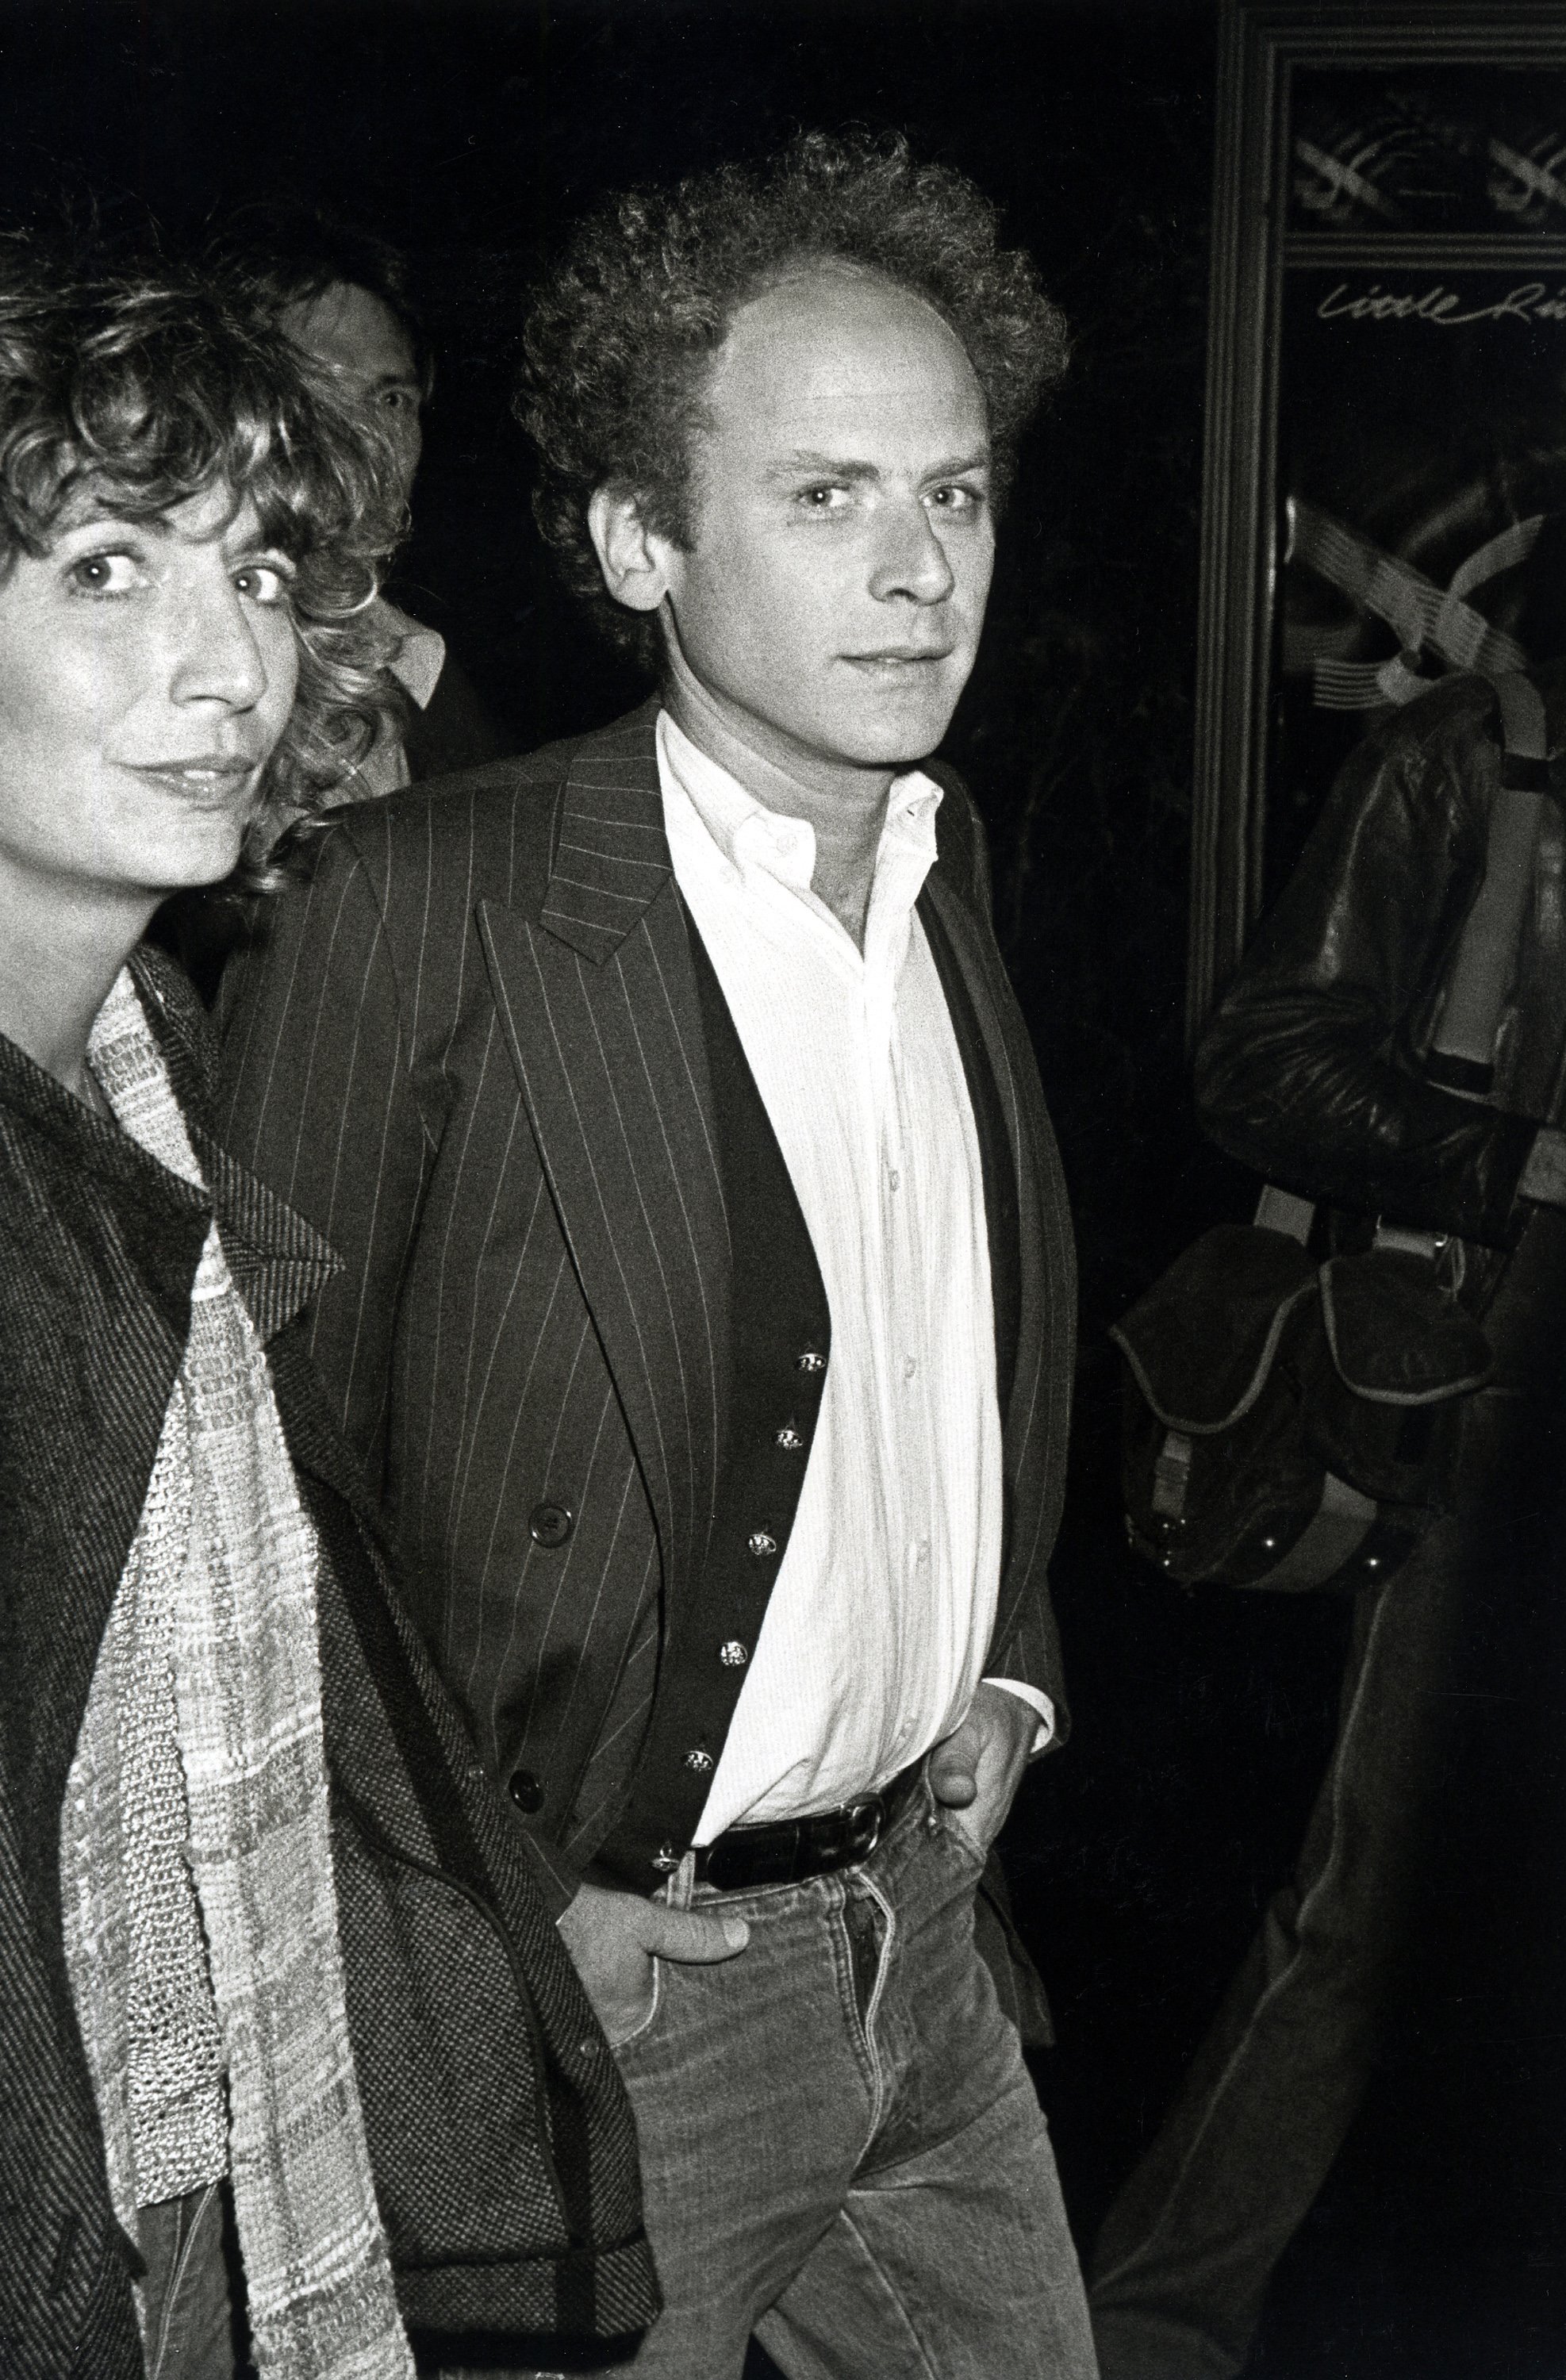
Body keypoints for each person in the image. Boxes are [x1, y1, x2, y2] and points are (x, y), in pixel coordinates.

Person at [218, 131, 1096, 2379]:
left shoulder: (932, 853)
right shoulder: (420, 905)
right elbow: (241, 1508)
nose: (919, 573)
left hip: (925, 1955)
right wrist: (501, 1916)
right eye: (826, 498)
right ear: (637, 539)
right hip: (631, 2019)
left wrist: (1001, 1667)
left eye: (955, 494)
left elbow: (950, 1340)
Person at [0, 244, 656, 2380]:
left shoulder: (152, 1067)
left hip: (197, 2182)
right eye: (105, 570)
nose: (225, 672)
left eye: (264, 576)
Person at [1088, 662, 1566, 2378]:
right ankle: (1152, 2326)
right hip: (1495, 1377)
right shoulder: (1471, 751)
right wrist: (1522, 1160)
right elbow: (1264, 1063)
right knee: (1373, 1893)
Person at [203, 202, 508, 795]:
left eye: (390, 400)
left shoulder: (420, 670)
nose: (361, 442)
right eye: (316, 396)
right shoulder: (177, 658)